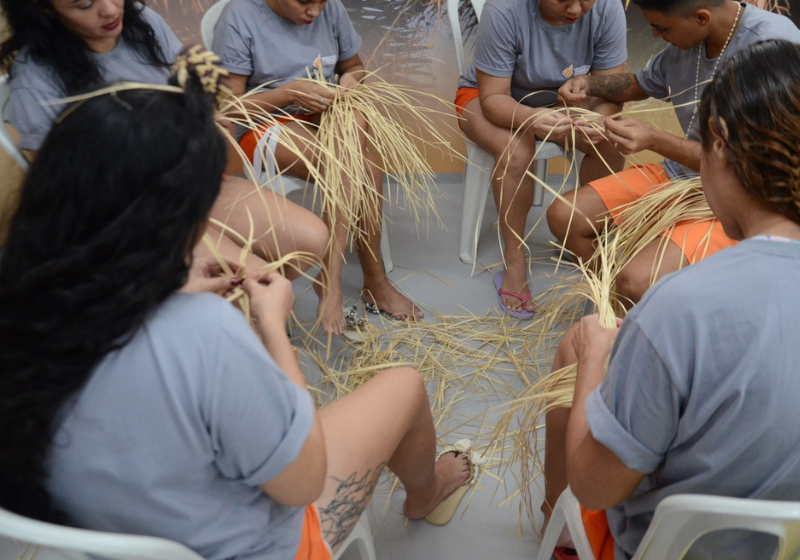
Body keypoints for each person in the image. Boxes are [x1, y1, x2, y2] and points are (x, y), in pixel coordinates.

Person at [0, 59, 476, 560]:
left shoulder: (23, 297)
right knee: (404, 385)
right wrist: (273, 330)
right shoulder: (204, 331)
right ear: (180, 220)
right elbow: (302, 482)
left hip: (100, 533)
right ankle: (426, 493)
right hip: (243, 546)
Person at [542, 39, 800, 560]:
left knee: (583, 341)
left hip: (673, 546)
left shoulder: (679, 308)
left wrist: (596, 359)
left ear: (720, 143)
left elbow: (595, 486)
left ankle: (562, 533)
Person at [0, 0, 328, 278]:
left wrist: (207, 117)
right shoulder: (37, 74)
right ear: (44, 9)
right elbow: (59, 180)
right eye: (84, 4)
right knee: (249, 279)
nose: (109, 9)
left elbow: (188, 93)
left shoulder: (141, 20)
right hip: (131, 211)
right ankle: (237, 314)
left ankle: (237, 312)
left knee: (312, 240)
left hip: (194, 180)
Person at [547, 0, 800, 306]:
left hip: (742, 195)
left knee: (635, 281)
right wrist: (590, 84)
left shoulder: (772, 45)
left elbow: (746, 163)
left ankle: (650, 313)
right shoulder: (691, 39)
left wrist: (654, 140)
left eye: (661, 27)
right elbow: (641, 83)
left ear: (702, 18)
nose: (654, 35)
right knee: (564, 216)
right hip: (682, 172)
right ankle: (620, 305)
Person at [211, 0, 423, 335]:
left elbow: (355, 66)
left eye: (322, 2)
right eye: (305, 2)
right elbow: (229, 107)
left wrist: (351, 82)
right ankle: (346, 279)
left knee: (365, 159)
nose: (315, 12)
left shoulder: (330, 9)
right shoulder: (239, 17)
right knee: (357, 166)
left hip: (322, 116)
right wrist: (287, 94)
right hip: (264, 124)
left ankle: (357, 278)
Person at [455, 0, 627, 318]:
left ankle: (588, 238)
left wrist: (597, 120)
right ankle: (515, 259)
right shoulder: (504, 8)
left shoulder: (607, 6)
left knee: (611, 139)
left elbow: (613, 90)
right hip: (490, 98)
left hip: (565, 102)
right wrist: (532, 119)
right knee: (516, 147)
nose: (576, 10)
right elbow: (493, 98)